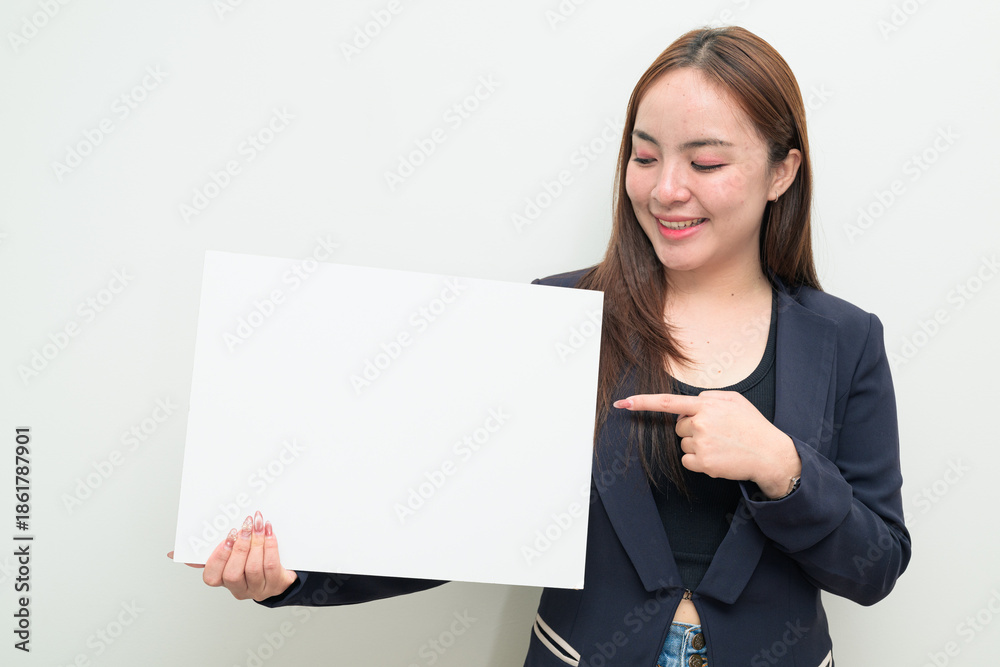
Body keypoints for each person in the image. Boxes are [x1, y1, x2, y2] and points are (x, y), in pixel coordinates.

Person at [173, 26, 910, 666]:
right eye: (645, 156)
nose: (665, 189)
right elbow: (453, 520)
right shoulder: (561, 317)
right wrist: (293, 577)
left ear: (782, 171)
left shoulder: (846, 339)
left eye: (706, 163)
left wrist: (781, 466)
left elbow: (875, 567)